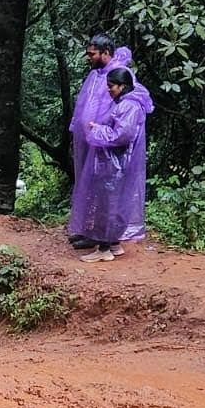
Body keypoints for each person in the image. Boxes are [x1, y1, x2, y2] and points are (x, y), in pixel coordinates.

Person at [68, 35, 154, 249]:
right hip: (94, 142)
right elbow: (85, 105)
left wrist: (100, 132)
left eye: (92, 54)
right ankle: (92, 232)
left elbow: (129, 114)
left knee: (107, 192)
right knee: (92, 188)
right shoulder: (97, 75)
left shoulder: (121, 76)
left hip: (109, 146)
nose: (89, 58)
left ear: (105, 52)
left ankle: (105, 238)